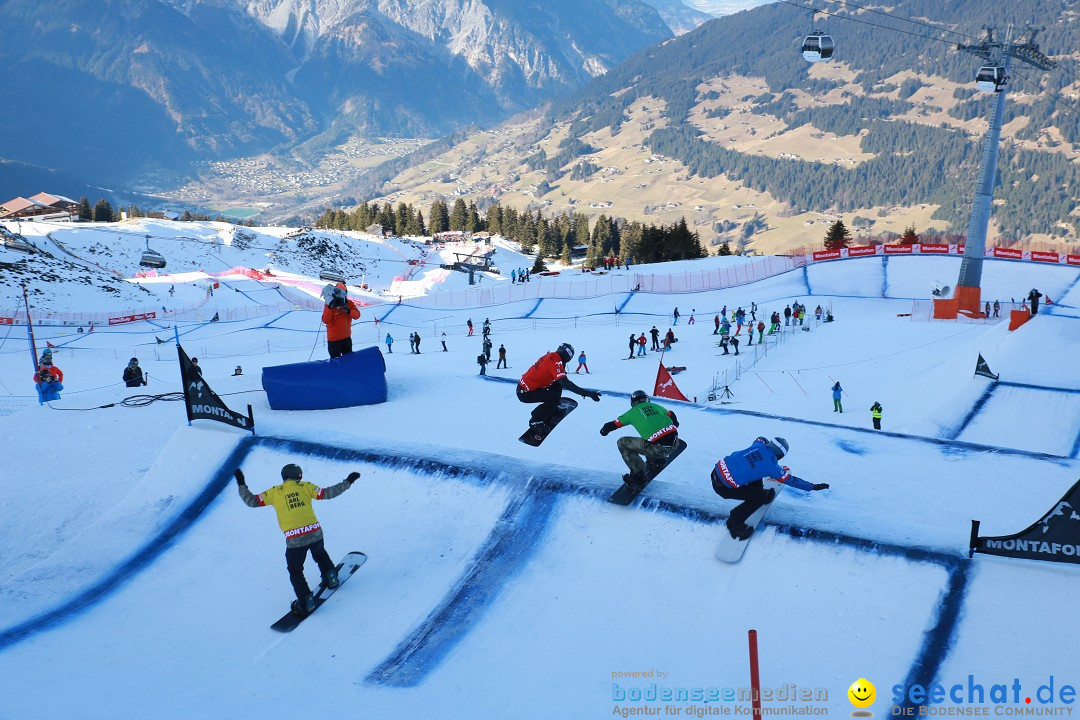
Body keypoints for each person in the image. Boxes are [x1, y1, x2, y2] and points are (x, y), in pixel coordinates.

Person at [235, 464, 359, 616]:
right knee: (320, 553)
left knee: (295, 571)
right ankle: (331, 578)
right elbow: (329, 493)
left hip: (295, 540)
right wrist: (348, 481)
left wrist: (241, 484)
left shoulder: (274, 492)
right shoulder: (306, 487)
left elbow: (251, 501)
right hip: (315, 533)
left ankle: (307, 602)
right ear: (299, 476)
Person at [711, 437, 828, 540]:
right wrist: (812, 487)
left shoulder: (759, 444)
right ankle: (734, 524)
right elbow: (792, 481)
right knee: (760, 498)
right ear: (780, 456)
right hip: (723, 487)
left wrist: (768, 443)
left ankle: (759, 492)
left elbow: (760, 438)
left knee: (756, 471)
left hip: (716, 471)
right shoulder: (772, 468)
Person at [600, 390, 680, 488]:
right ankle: (658, 461)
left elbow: (613, 424)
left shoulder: (631, 412)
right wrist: (675, 423)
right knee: (649, 438)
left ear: (633, 403)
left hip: (657, 449)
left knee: (623, 443)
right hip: (675, 442)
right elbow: (671, 414)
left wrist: (604, 430)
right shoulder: (655, 406)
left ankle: (639, 479)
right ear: (647, 400)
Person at [517, 343, 600, 428]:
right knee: (554, 397)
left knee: (558, 384)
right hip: (525, 392)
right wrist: (587, 393)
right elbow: (566, 383)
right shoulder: (555, 362)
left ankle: (551, 406)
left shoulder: (552, 356)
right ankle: (535, 421)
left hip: (526, 387)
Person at [321, 283, 360, 358]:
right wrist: (330, 307)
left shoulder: (349, 304)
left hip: (346, 339)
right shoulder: (329, 304)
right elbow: (326, 320)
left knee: (348, 359)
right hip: (334, 341)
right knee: (336, 362)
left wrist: (349, 311)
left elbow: (357, 315)